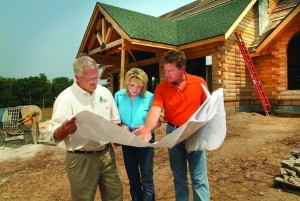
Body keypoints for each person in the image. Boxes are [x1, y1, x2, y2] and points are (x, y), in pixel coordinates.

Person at [49, 56, 123, 201]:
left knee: (115, 195)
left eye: (96, 77)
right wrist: (64, 130)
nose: (95, 82)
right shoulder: (65, 98)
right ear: (78, 78)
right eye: (91, 79)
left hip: (107, 155)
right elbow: (54, 135)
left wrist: (117, 136)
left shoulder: (104, 93)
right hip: (81, 159)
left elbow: (115, 121)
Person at [140, 49, 210, 201]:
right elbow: (155, 109)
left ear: (182, 69)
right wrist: (147, 128)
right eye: (165, 70)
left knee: (198, 178)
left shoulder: (199, 83)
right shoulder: (162, 87)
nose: (167, 74)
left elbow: (209, 109)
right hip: (173, 133)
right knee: (179, 177)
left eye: (171, 71)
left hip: (194, 133)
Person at [114, 68, 161, 201]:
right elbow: (114, 119)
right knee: (133, 180)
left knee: (147, 179)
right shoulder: (118, 96)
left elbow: (158, 122)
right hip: (127, 142)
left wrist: (148, 127)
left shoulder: (150, 97)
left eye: (139, 86)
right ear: (126, 83)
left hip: (145, 141)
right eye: (132, 85)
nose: (135, 89)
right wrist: (121, 126)